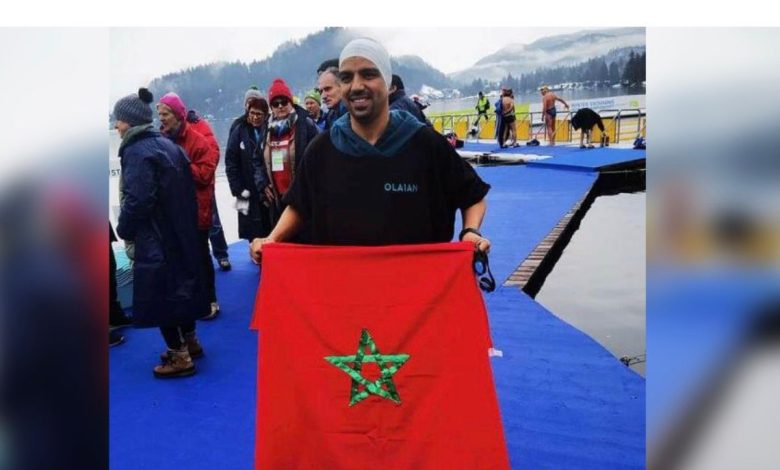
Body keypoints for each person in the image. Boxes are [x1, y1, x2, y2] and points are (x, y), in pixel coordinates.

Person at [250, 37, 491, 261]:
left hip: (418, 284)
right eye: (346, 78)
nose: (356, 86)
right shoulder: (322, 150)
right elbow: (299, 206)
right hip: (345, 284)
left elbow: (473, 196)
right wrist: (272, 239)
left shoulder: (425, 143)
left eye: (368, 74)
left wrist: (470, 232)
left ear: (388, 84)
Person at [113, 88, 209, 378]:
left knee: (163, 296)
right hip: (180, 233)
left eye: (118, 120)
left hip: (156, 238)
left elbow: (138, 200)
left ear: (130, 122)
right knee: (182, 291)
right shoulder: (169, 145)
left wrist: (124, 228)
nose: (116, 126)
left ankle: (179, 357)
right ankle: (190, 342)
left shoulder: (136, 151)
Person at [157, 92, 221, 320]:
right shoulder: (160, 141)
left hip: (196, 211)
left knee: (201, 257)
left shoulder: (198, 141)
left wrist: (180, 163)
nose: (161, 119)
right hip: (173, 213)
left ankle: (210, 300)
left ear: (178, 115)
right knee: (181, 261)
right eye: (159, 114)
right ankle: (191, 302)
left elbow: (205, 175)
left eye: (165, 114)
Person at [253, 78, 319, 230]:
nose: (280, 106)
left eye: (284, 102)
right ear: (271, 108)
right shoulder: (266, 129)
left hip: (302, 196)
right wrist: (262, 183)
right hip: (277, 198)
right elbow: (256, 160)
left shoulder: (305, 124)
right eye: (275, 104)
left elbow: (318, 157)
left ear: (291, 102)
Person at [186, 109, 231, 271]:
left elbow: (213, 152)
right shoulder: (169, 132)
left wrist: (204, 172)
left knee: (213, 222)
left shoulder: (200, 126)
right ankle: (197, 259)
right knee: (189, 226)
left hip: (204, 185)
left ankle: (221, 255)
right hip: (183, 189)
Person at [225, 92, 272, 242]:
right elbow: (230, 161)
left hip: (264, 187)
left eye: (259, 114)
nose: (255, 117)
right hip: (243, 187)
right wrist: (236, 188)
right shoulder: (239, 129)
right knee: (247, 227)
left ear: (265, 115)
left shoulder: (270, 129)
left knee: (268, 225)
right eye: (252, 113)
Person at [318, 66, 347, 131]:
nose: (323, 96)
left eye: (328, 89)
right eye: (321, 92)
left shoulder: (353, 112)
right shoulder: (331, 115)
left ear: (342, 86)